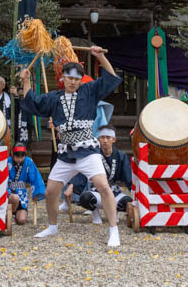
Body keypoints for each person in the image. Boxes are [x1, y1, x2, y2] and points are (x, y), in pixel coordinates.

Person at [20, 47, 123, 248]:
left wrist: (100, 57)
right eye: (70, 78)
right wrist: (25, 81)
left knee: (103, 186)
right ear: (63, 78)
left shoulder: (90, 90)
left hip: (88, 151)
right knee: (51, 191)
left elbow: (111, 77)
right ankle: (52, 225)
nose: (73, 82)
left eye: (77, 79)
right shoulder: (54, 98)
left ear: (80, 80)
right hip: (66, 153)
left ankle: (113, 230)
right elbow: (33, 103)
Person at [74, 127, 132, 223]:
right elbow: (82, 172)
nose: (105, 141)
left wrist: (135, 193)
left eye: (108, 137)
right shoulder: (93, 156)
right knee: (85, 198)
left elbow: (128, 176)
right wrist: (72, 186)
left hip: (115, 192)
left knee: (128, 202)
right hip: (98, 192)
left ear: (114, 140)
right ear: (98, 139)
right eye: (102, 137)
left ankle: (115, 213)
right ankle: (96, 215)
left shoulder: (121, 156)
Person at [7, 144, 46, 225]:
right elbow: (1, 179)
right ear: (12, 153)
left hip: (22, 196)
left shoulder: (29, 162)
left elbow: (36, 178)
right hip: (8, 195)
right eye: (17, 156)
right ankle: (9, 215)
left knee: (21, 220)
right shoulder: (7, 161)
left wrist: (36, 193)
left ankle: (15, 215)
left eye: (22, 157)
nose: (19, 159)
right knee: (14, 198)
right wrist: (7, 192)